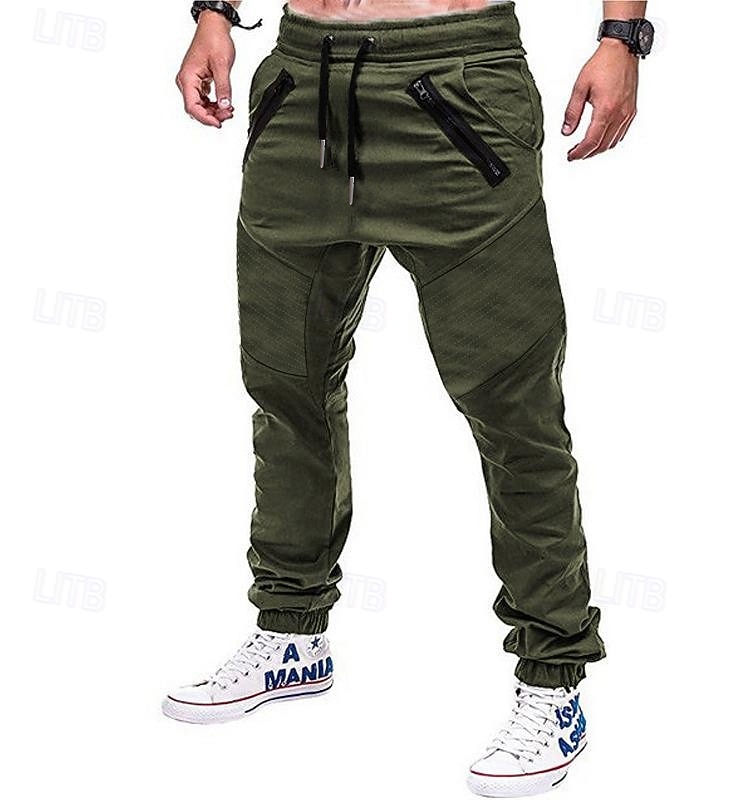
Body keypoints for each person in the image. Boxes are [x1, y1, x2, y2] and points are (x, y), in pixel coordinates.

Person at [164, 1, 653, 796]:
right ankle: (290, 631)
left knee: (513, 410)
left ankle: (553, 673)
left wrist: (621, 38)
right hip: (301, 85)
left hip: (455, 88)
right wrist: (214, 14)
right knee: (287, 388)